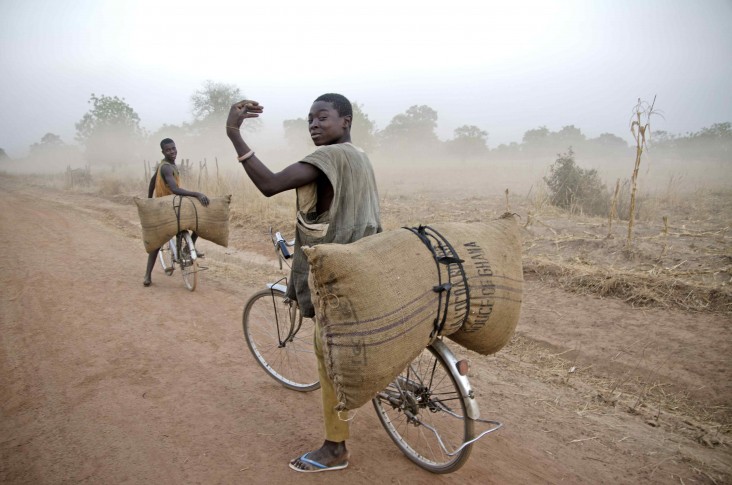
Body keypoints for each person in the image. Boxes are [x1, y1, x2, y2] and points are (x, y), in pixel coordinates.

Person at [226, 94, 381, 473]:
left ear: (345, 121)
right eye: (309, 119)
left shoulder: (327, 158)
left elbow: (269, 184)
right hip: (366, 262)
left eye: (322, 117)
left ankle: (334, 448)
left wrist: (233, 133)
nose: (313, 124)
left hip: (336, 274)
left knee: (328, 358)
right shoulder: (360, 157)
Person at [143, 138, 209, 287]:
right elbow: (174, 189)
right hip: (165, 207)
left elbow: (153, 181)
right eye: (168, 150)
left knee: (199, 221)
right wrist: (197, 194)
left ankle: (187, 248)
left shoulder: (166, 165)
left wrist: (149, 198)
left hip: (174, 205)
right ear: (163, 152)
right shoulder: (166, 167)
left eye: (173, 148)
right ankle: (147, 275)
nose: (172, 152)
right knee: (158, 242)